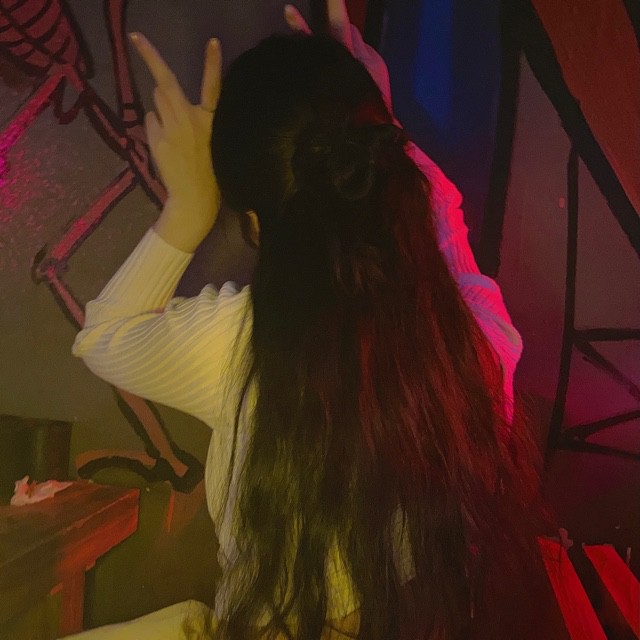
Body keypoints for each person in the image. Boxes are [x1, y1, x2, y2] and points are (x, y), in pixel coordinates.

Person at [70, 2, 545, 638]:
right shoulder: (476, 340)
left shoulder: (238, 344)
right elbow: (446, 227)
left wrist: (188, 207)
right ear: (386, 165)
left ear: (253, 220)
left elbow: (104, 337)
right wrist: (380, 125)